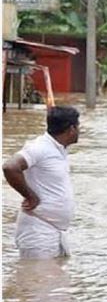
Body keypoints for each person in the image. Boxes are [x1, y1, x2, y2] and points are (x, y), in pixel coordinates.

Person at [3, 107, 80, 259]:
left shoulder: (58, 149)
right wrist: (30, 196)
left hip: (55, 231)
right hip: (38, 230)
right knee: (36, 280)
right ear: (71, 129)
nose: (79, 131)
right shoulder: (40, 147)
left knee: (55, 280)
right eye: (78, 126)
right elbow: (10, 167)